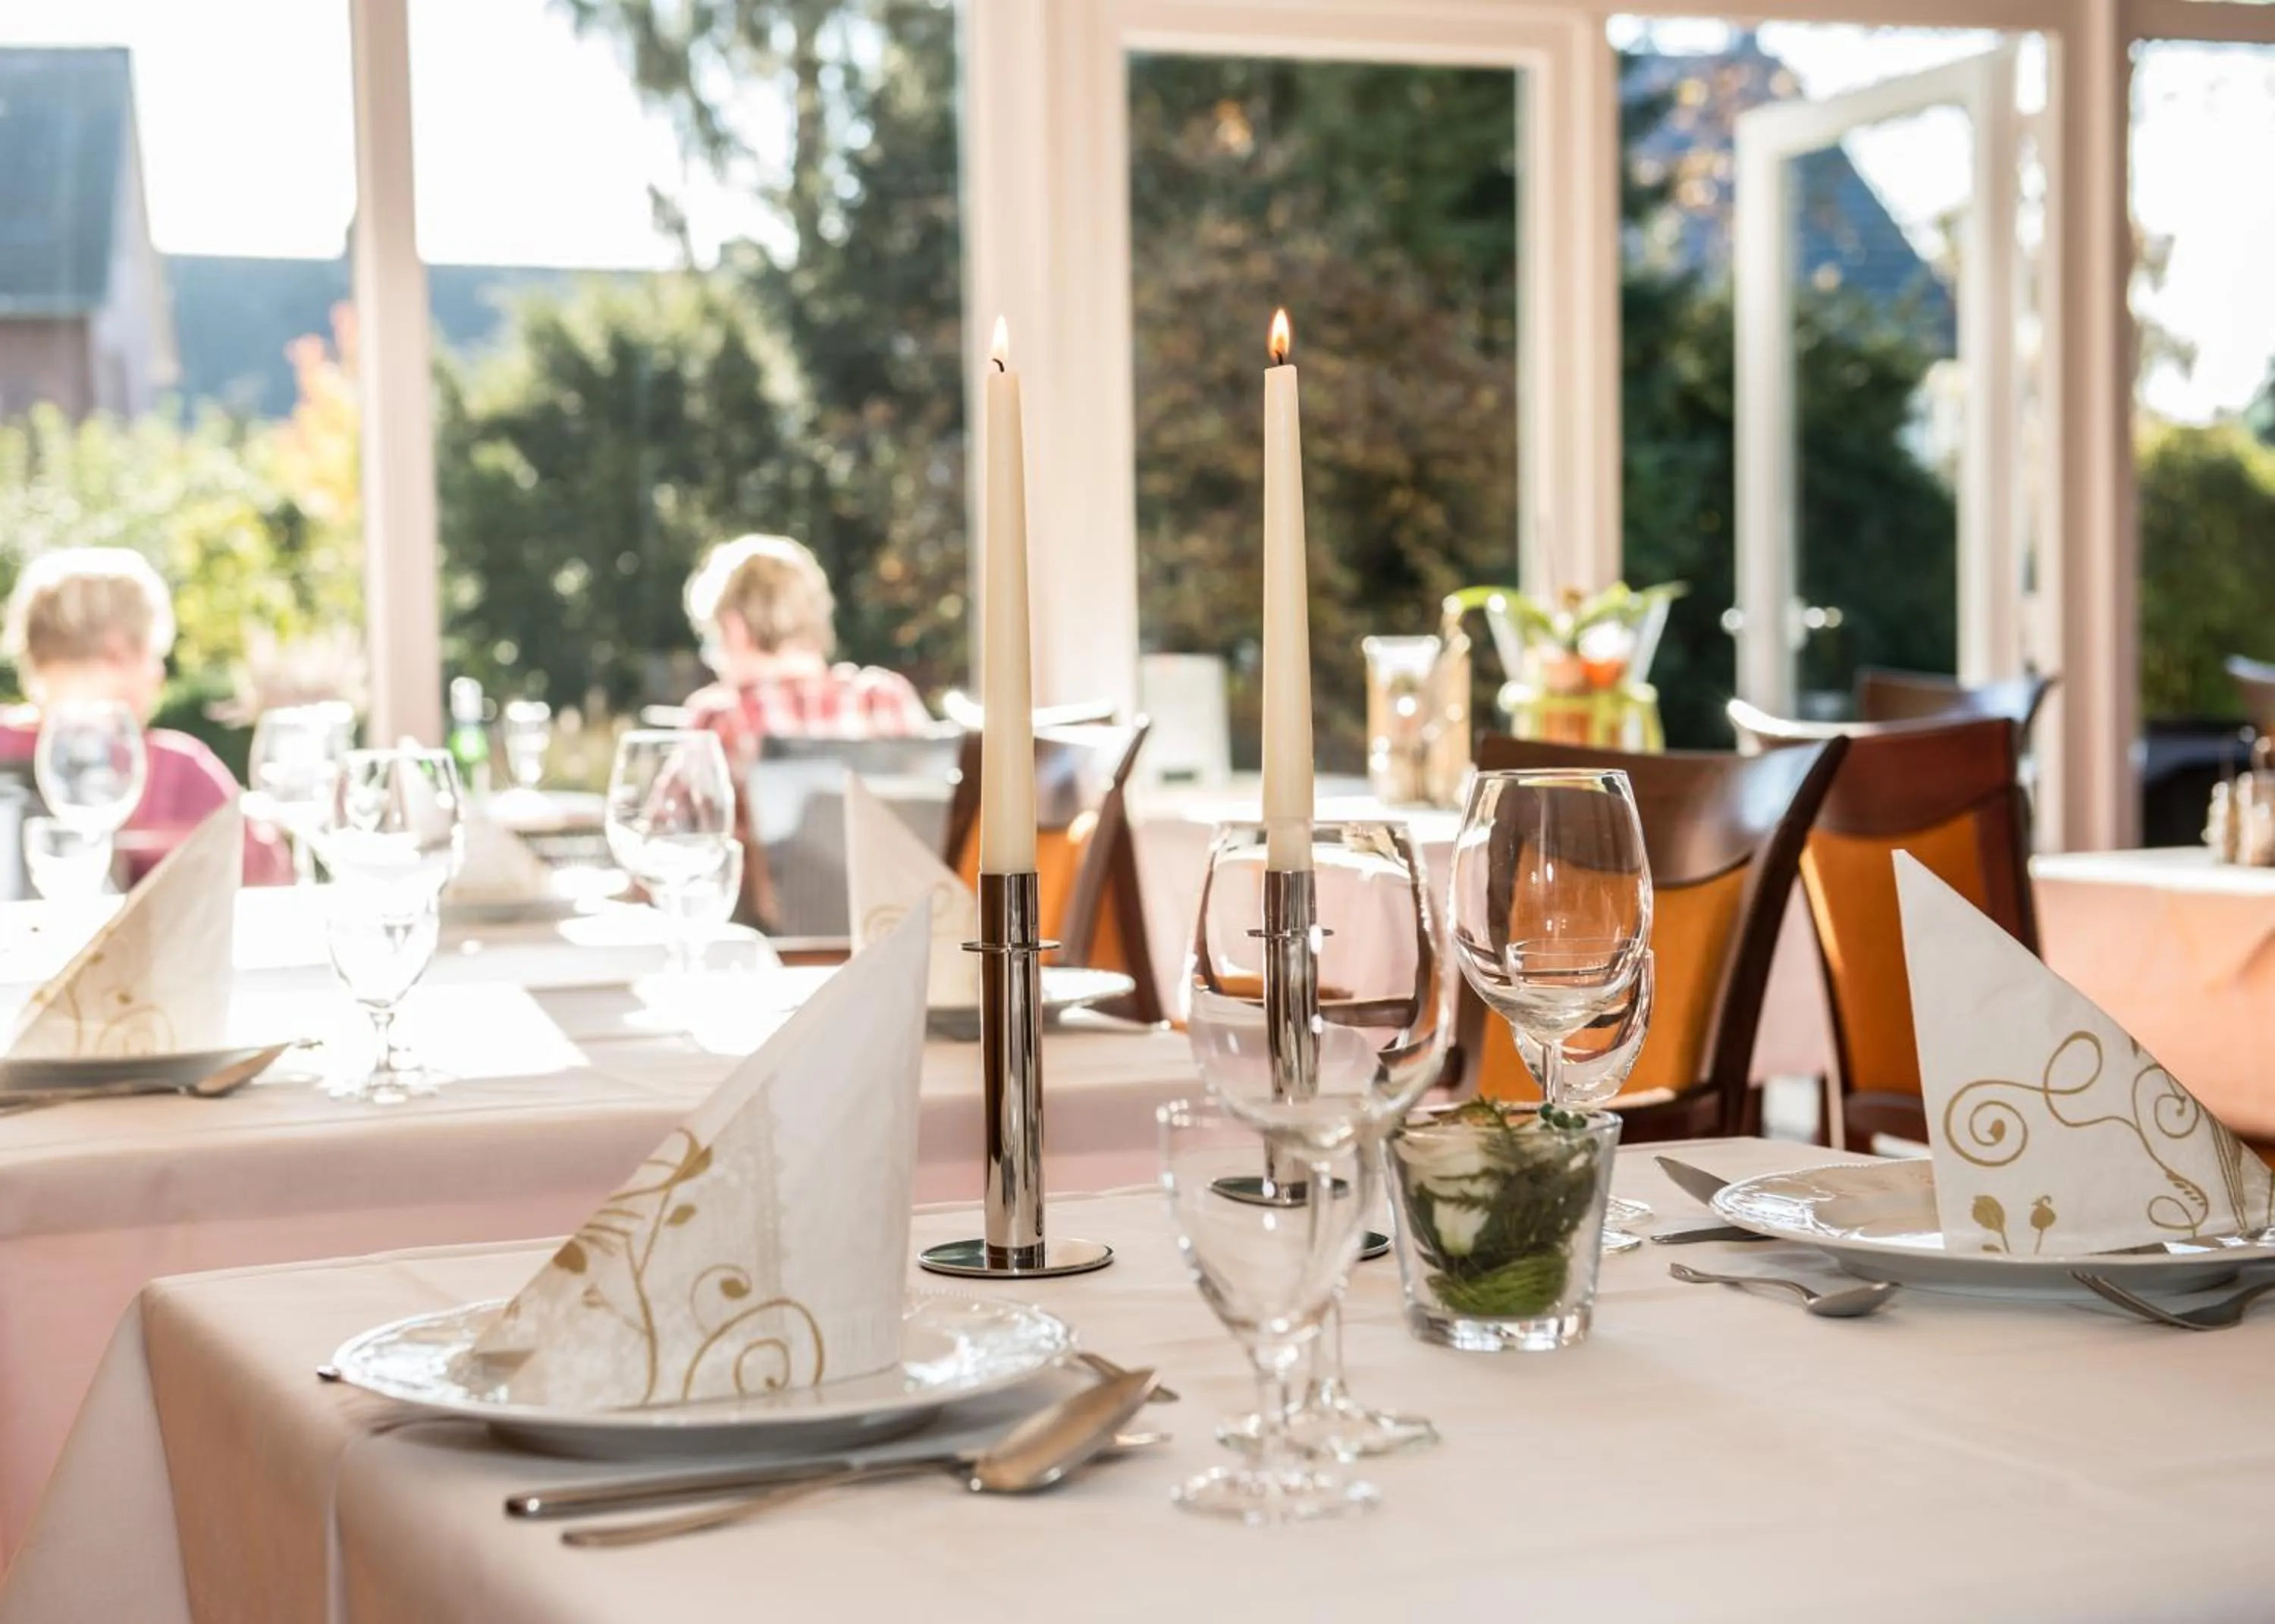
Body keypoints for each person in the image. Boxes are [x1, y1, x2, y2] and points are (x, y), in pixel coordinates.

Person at [681, 534, 934, 925]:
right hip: (896, 940)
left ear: (733, 627)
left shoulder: (719, 719)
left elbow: (667, 860)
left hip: (767, 957)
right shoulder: (885, 700)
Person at [0, 548, 290, 886]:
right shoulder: (180, 773)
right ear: (117, 651)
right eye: (155, 655)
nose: (159, 675)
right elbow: (268, 879)